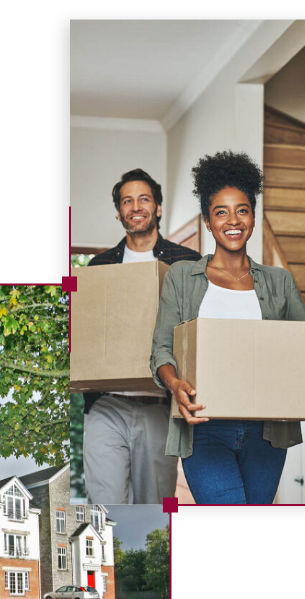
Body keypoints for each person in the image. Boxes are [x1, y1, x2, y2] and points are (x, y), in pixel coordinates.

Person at [150, 150, 305, 504]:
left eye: (242, 210)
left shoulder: (280, 282)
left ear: (254, 217)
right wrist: (174, 384)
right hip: (205, 426)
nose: (233, 220)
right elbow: (162, 348)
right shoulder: (183, 277)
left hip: (268, 432)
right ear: (206, 220)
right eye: (221, 212)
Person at [83, 168, 202, 504]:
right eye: (127, 201)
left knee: (156, 504)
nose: (136, 207)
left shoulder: (188, 263)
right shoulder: (99, 267)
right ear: (119, 212)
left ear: (158, 208)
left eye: (144, 199)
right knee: (105, 505)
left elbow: (197, 333)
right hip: (105, 404)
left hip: (159, 404)